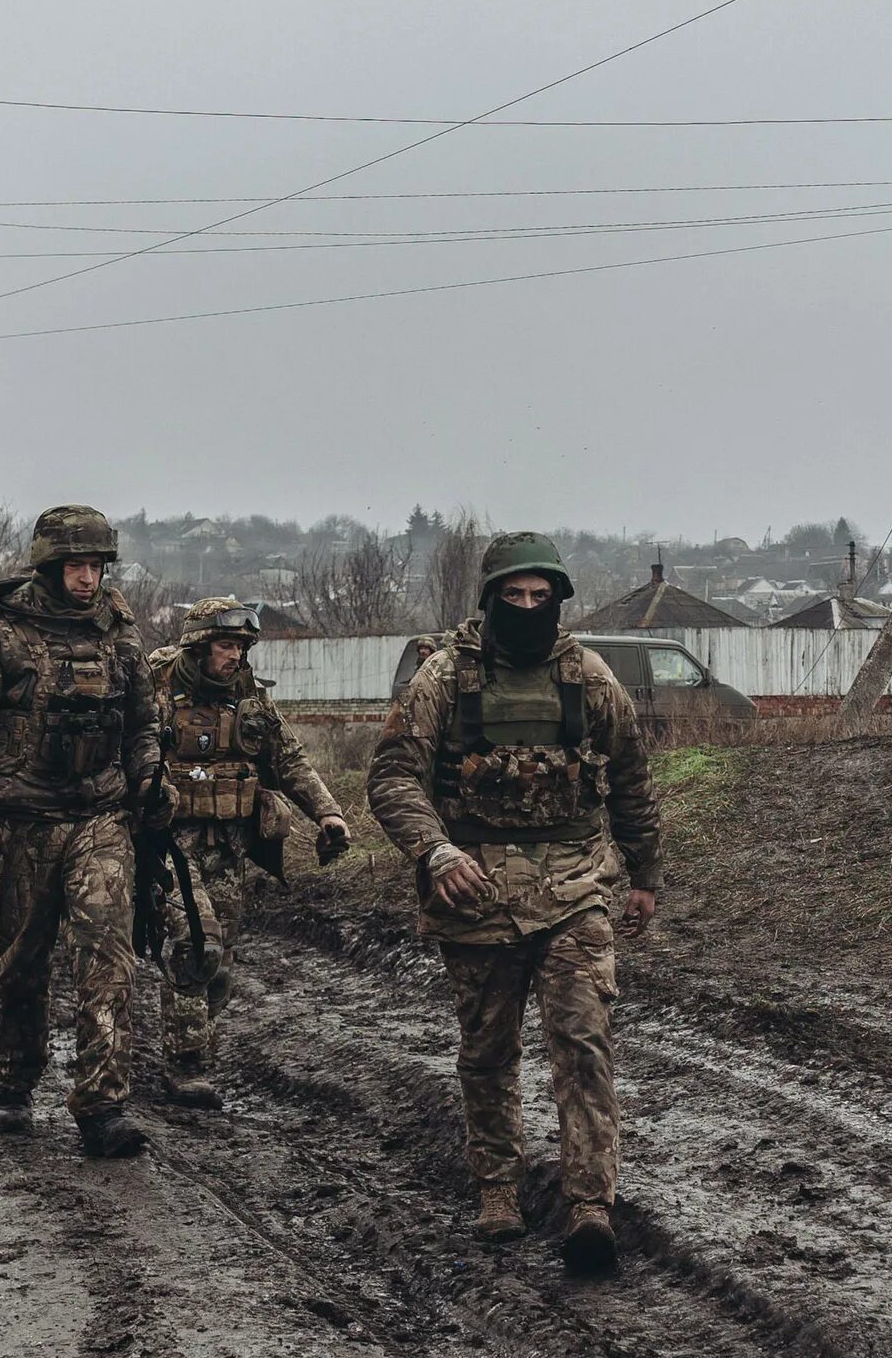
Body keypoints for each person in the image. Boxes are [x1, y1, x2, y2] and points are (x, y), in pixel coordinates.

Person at [366, 532, 662, 1270]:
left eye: (541, 597)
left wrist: (647, 875)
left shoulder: (588, 678)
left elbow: (630, 779)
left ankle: (590, 1203)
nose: (528, 608)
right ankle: (496, 1185)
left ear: (558, 600)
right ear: (492, 598)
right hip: (476, 894)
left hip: (573, 890)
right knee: (489, 1053)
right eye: (514, 596)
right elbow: (394, 778)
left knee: (584, 1042)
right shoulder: (443, 678)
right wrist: (435, 851)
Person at [0, 505, 164, 1157]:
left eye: (95, 566)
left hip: (100, 819)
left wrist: (149, 780)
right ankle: (12, 1082)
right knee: (22, 963)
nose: (87, 579)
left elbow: (145, 724)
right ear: (49, 566)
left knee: (108, 959)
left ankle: (102, 1102)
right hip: (25, 824)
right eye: (76, 566)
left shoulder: (119, 635)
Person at [144, 597, 352, 1110]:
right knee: (198, 941)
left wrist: (328, 812)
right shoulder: (157, 691)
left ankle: (194, 1052)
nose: (234, 655)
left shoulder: (250, 698)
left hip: (229, 843)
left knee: (222, 963)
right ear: (197, 646)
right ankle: (185, 1064)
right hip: (169, 842)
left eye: (240, 645)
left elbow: (290, 758)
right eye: (224, 644)